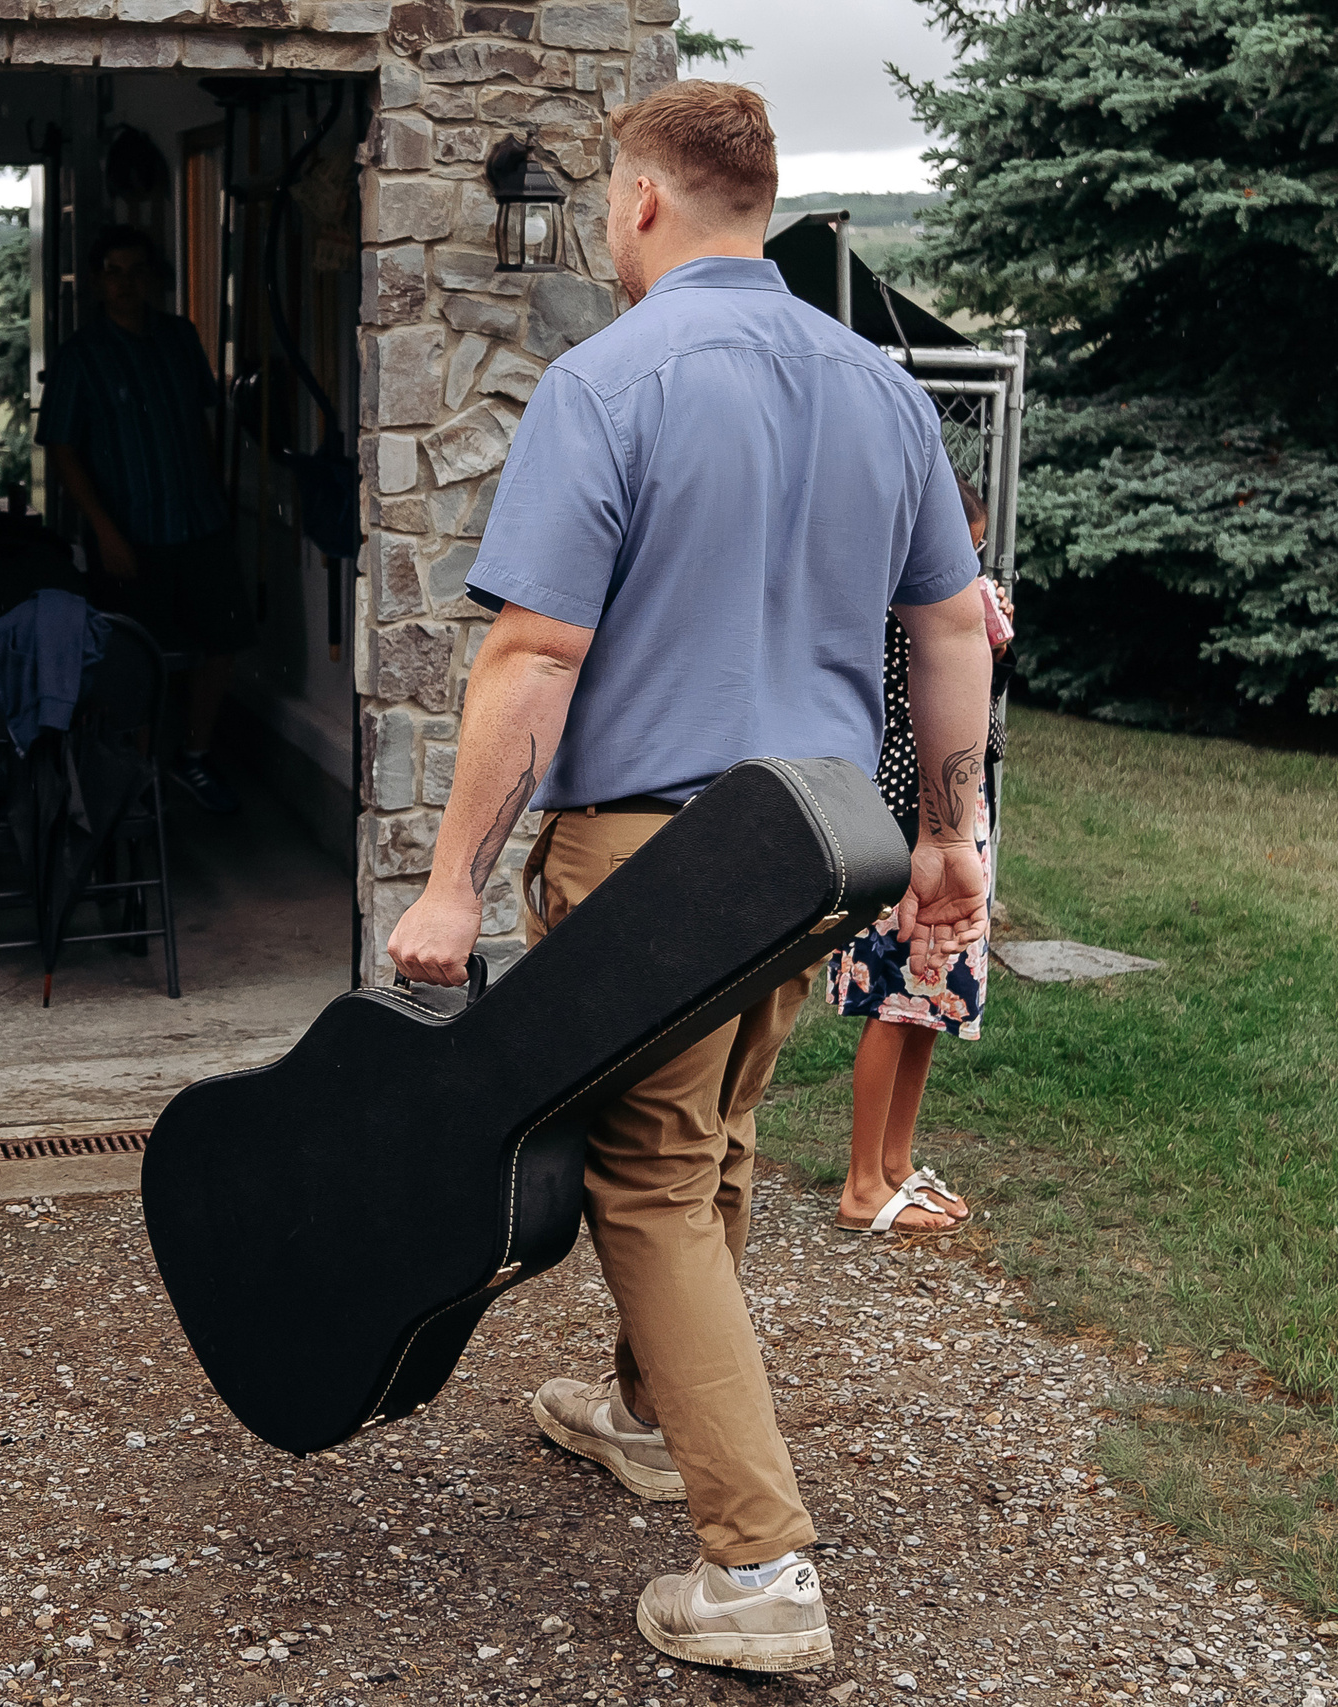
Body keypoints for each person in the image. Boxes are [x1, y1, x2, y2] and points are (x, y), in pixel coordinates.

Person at [384, 83, 994, 1673]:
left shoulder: (610, 380)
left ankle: (760, 1565)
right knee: (711, 1131)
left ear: (643, 199)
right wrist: (949, 834)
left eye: (608, 201)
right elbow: (948, 624)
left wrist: (451, 882)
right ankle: (649, 1411)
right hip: (817, 843)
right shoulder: (881, 387)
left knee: (646, 1169)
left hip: (655, 851)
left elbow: (533, 653)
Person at [834, 476, 1015, 1233]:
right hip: (904, 820)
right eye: (958, 549)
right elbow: (908, 715)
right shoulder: (891, 610)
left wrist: (994, 646)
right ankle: (860, 1185)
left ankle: (896, 1164)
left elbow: (980, 716)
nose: (968, 563)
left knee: (927, 1001)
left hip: (951, 819)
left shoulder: (950, 608)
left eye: (975, 549)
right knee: (894, 997)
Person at [37, 224, 248, 814]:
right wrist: (105, 532)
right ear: (97, 282)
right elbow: (61, 449)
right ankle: (137, 774)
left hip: (199, 521)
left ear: (152, 278)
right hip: (129, 533)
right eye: (113, 272)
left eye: (135, 271)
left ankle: (194, 756)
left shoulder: (179, 337)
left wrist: (217, 496)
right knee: (137, 654)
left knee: (223, 641)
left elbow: (201, 422)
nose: (125, 283)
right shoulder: (81, 355)